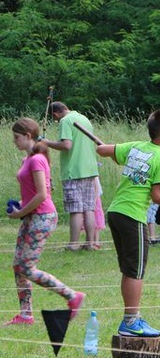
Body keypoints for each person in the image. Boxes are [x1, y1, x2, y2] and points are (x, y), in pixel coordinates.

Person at [95, 109, 160, 337]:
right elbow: (159, 195)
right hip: (133, 216)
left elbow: (102, 150)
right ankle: (131, 321)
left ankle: (131, 318)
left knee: (129, 270)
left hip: (117, 212)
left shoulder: (136, 147)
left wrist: (116, 154)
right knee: (136, 271)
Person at [3, 118, 85, 326]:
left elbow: (42, 195)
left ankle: (71, 296)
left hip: (42, 217)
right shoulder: (28, 160)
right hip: (31, 216)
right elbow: (32, 193)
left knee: (27, 268)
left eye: (17, 137)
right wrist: (20, 206)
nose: (14, 141)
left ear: (27, 136)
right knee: (18, 266)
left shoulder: (37, 160)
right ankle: (25, 315)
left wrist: (20, 211)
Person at [44, 101, 100, 250]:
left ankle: (73, 244)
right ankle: (90, 243)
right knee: (89, 208)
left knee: (75, 209)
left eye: (54, 119)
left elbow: (66, 145)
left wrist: (47, 143)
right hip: (90, 169)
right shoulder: (84, 118)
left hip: (73, 170)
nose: (56, 121)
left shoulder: (65, 121)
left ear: (55, 114)